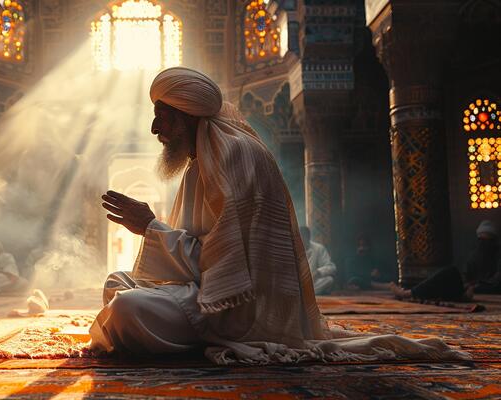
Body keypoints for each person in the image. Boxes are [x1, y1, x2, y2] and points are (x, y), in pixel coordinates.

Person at [88, 67, 468, 364]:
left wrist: (151, 228)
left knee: (126, 308)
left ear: (187, 116)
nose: (156, 129)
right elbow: (199, 258)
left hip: (238, 309)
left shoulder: (233, 157)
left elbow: (224, 267)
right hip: (205, 292)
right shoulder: (197, 165)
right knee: (117, 282)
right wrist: (152, 231)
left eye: (163, 117)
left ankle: (189, 335)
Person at [391, 220, 501, 300]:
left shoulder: (497, 255)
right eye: (481, 240)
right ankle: (410, 293)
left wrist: (475, 287)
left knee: (451, 272)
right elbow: (467, 275)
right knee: (447, 278)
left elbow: (496, 283)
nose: (483, 244)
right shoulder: (476, 255)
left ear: (493, 240)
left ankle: (407, 294)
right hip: (470, 290)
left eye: (486, 240)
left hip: (481, 290)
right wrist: (467, 284)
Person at [299, 226, 336, 295]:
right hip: (297, 284)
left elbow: (331, 267)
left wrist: (318, 272)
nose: (301, 241)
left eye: (303, 238)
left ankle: (303, 294)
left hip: (312, 283)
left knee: (329, 280)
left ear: (308, 238)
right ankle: (305, 294)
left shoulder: (318, 248)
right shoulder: (292, 249)